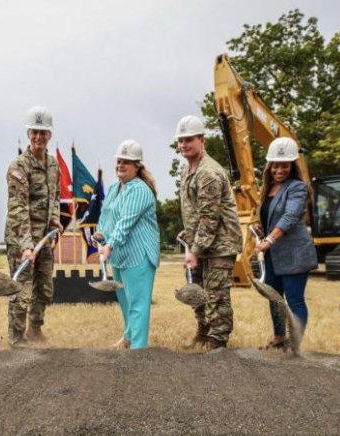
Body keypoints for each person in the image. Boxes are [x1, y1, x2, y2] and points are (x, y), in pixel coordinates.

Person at [174, 115, 243, 350]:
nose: (184, 144)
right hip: (201, 241)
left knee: (216, 294)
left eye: (189, 139)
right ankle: (203, 332)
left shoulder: (208, 173)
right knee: (198, 292)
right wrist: (189, 232)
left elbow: (210, 218)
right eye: (181, 140)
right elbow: (197, 210)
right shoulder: (187, 170)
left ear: (202, 139)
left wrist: (195, 249)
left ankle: (218, 341)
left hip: (220, 244)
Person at [4, 106, 63, 347]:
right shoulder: (19, 166)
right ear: (28, 134)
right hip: (23, 240)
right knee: (22, 289)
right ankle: (16, 338)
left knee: (45, 288)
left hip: (44, 239)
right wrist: (27, 246)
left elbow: (56, 198)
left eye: (43, 132)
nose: (38, 137)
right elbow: (18, 209)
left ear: (49, 135)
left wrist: (55, 223)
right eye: (34, 132)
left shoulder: (52, 165)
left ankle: (35, 330)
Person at [253, 137, 318, 350]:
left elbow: (290, 217)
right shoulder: (268, 189)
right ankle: (279, 337)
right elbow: (271, 216)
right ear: (269, 166)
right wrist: (260, 228)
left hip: (293, 253)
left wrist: (270, 239)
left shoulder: (298, 187)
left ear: (292, 165)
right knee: (274, 298)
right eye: (275, 165)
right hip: (273, 254)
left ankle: (295, 343)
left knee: (294, 300)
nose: (279, 170)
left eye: (284, 165)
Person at [97, 140, 161, 350]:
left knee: (138, 304)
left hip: (139, 255)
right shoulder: (116, 187)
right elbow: (106, 215)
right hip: (120, 255)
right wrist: (100, 235)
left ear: (137, 166)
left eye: (127, 162)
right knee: (125, 300)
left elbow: (126, 221)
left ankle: (139, 348)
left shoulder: (140, 190)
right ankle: (128, 337)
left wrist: (111, 243)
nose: (121, 166)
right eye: (119, 161)